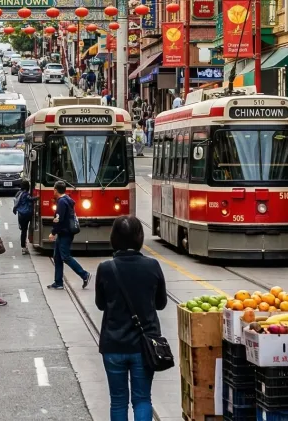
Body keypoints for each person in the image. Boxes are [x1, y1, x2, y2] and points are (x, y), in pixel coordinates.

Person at [96, 216, 167, 421]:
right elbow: (161, 304)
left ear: (114, 238)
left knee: (118, 400)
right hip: (144, 346)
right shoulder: (152, 266)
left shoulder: (106, 268)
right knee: (142, 399)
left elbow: (101, 305)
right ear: (139, 237)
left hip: (113, 344)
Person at [49, 180, 91, 290]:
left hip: (65, 233)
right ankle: (58, 282)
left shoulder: (62, 202)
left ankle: (84, 274)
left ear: (55, 190)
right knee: (57, 257)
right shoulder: (67, 199)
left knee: (65, 257)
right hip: (65, 232)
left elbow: (59, 219)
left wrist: (53, 232)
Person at [13, 179, 34, 252]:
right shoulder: (26, 194)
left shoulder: (18, 193)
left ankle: (23, 246)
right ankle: (24, 246)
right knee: (25, 230)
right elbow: (31, 199)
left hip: (20, 214)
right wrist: (38, 197)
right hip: (26, 214)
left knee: (23, 231)